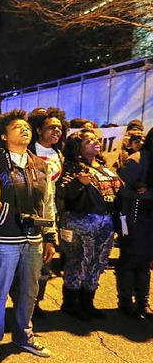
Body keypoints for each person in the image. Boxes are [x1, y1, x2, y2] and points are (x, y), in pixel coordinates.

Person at [0, 109, 57, 361]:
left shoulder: (40, 165)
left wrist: (49, 236)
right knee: (0, 290)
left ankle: (24, 335)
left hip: (33, 238)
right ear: (3, 136)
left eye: (26, 127)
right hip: (4, 238)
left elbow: (48, 202)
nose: (24, 130)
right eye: (16, 127)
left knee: (29, 289)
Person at [56, 129, 122, 320]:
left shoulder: (104, 166)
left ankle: (88, 302)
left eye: (95, 139)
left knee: (98, 262)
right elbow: (63, 193)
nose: (95, 142)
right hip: (81, 221)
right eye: (88, 141)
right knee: (78, 262)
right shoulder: (73, 168)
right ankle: (71, 303)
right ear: (78, 148)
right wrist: (79, 183)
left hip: (105, 222)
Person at [27, 107, 68, 316]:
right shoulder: (27, 152)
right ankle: (23, 301)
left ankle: (37, 302)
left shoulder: (59, 154)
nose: (56, 131)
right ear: (38, 130)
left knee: (46, 259)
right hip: (30, 215)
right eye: (51, 127)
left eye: (59, 128)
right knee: (28, 263)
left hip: (50, 214)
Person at [115, 126, 153, 319]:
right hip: (134, 219)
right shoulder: (137, 160)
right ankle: (126, 301)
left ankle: (142, 302)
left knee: (145, 263)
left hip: (148, 220)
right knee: (130, 261)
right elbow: (119, 189)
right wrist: (146, 193)